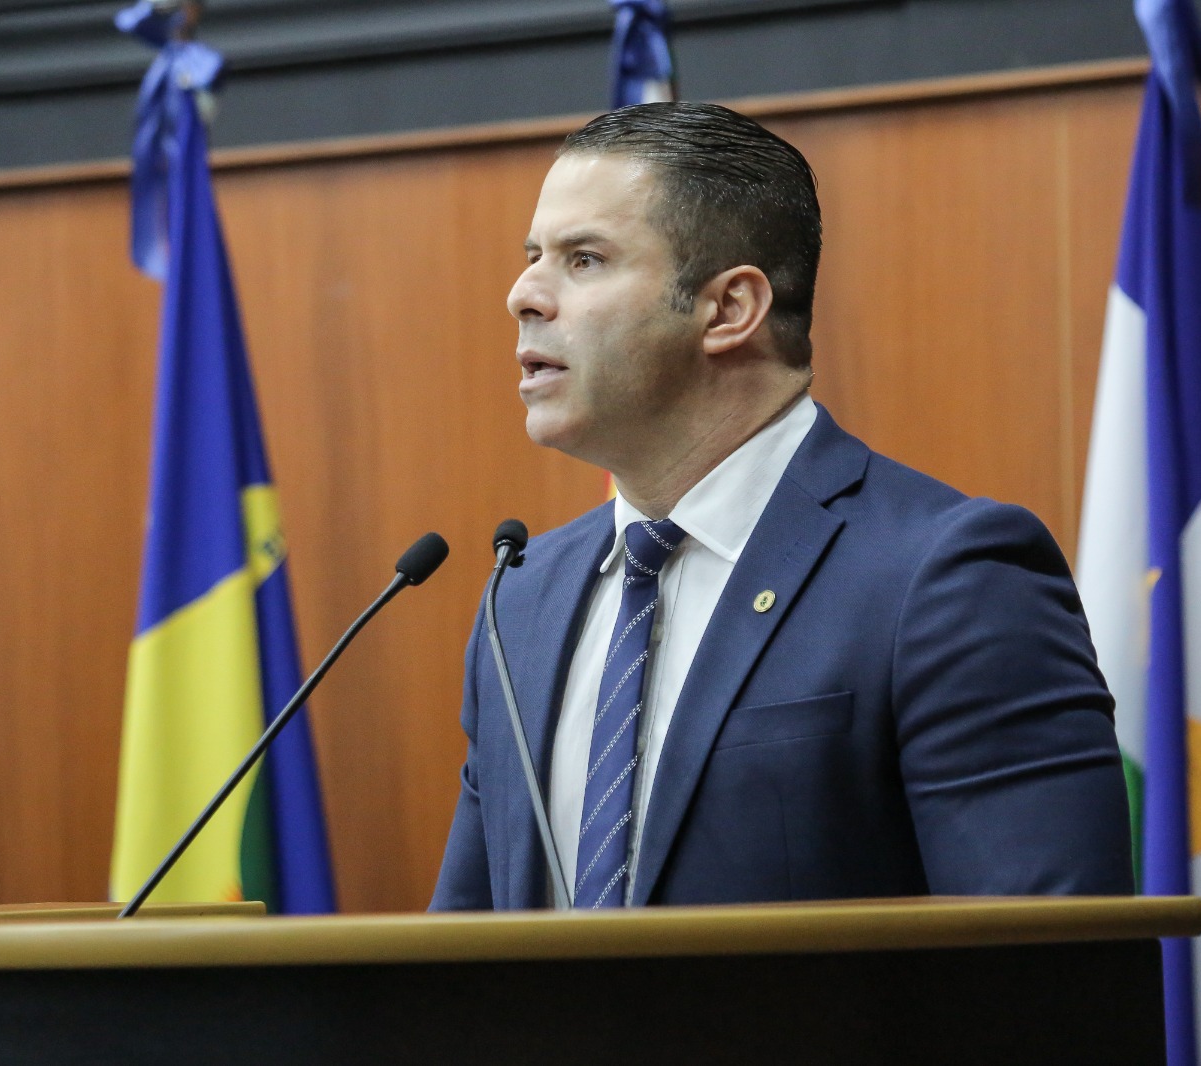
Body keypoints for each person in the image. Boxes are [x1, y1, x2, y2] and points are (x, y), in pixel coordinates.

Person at [430, 101, 1133, 910]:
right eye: (533, 258)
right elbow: (465, 953)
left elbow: (1050, 962)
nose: (523, 294)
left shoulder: (949, 578)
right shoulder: (523, 599)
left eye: (584, 260)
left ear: (730, 309)